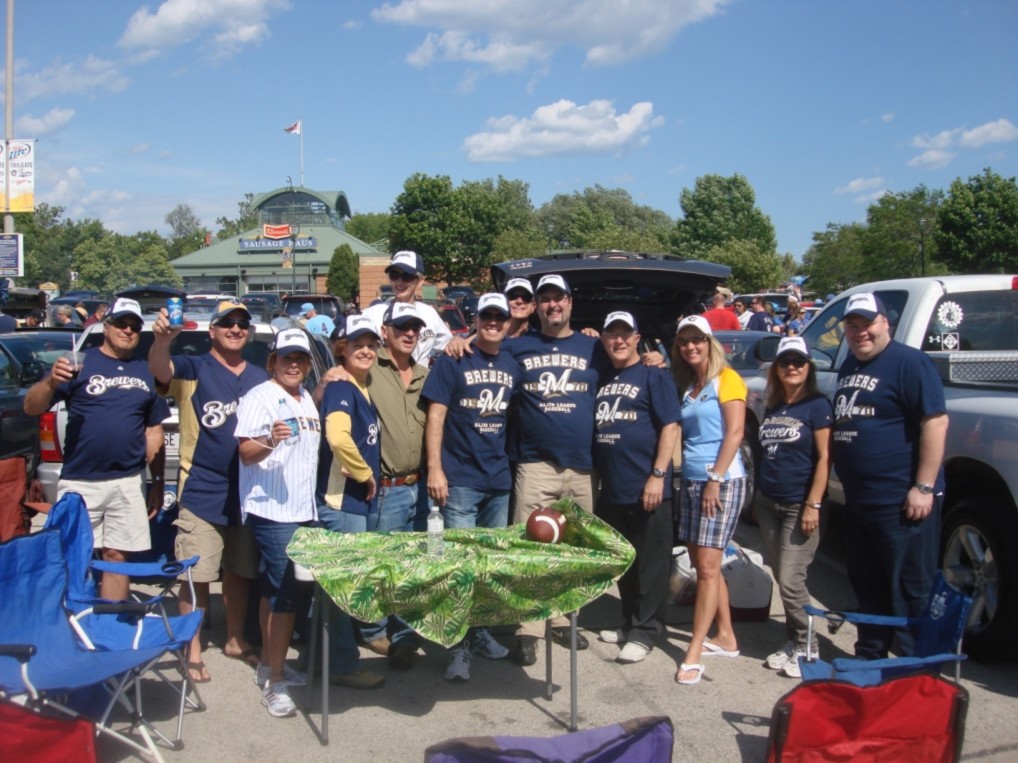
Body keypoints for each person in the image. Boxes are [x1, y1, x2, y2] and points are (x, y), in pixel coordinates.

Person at [148, 299, 267, 684]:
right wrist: (162, 341)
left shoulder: (260, 376)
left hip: (248, 492)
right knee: (195, 575)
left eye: (242, 323)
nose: (236, 329)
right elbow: (160, 370)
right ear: (211, 330)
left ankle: (235, 639)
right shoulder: (193, 368)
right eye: (227, 322)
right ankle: (192, 648)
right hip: (201, 489)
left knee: (238, 571)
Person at [24, 298, 168, 601]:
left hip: (127, 481)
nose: (127, 331)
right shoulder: (77, 362)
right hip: (80, 480)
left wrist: (156, 481)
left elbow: (153, 430)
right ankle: (72, 617)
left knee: (117, 556)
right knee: (72, 556)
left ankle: (110, 620)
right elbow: (31, 407)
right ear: (106, 326)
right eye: (121, 324)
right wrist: (50, 383)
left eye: (134, 326)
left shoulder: (145, 371)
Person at [831, 292, 948, 659]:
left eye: (867, 323)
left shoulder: (909, 363)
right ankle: (870, 658)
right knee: (867, 583)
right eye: (852, 325)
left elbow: (935, 422)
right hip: (860, 500)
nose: (860, 332)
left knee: (911, 589)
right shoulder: (850, 365)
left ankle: (918, 670)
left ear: (886, 323)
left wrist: (923, 486)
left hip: (901, 502)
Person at [422, 293, 518, 681]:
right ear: (476, 319)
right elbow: (436, 416)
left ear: (508, 322)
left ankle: (478, 632)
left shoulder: (513, 361)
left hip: (498, 479)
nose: (493, 322)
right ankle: (457, 645)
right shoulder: (454, 358)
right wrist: (435, 469)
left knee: (486, 567)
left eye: (500, 317)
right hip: (459, 478)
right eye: (487, 316)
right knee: (459, 567)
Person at [235, 328, 322, 718]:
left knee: (276, 590)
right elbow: (245, 452)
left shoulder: (305, 398)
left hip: (303, 510)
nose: (293, 364)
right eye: (287, 357)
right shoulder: (260, 397)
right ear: (273, 362)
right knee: (285, 593)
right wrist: (270, 439)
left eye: (300, 358)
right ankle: (274, 682)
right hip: (271, 510)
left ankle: (271, 665)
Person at [593, 311, 680, 665]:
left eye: (625, 334)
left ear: (636, 338)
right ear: (604, 339)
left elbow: (670, 426)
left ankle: (645, 632)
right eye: (612, 334)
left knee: (651, 565)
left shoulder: (654, 374)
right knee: (626, 562)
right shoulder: (603, 376)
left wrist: (658, 475)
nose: (619, 340)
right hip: (614, 488)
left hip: (648, 486)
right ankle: (629, 623)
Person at [671, 315, 747, 686]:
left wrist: (715, 479)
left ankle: (694, 651)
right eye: (684, 341)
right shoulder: (690, 384)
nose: (691, 346)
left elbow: (735, 433)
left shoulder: (726, 378)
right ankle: (726, 636)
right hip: (691, 480)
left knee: (706, 568)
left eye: (697, 339)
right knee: (707, 566)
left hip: (720, 481)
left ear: (709, 342)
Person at [314, 314, 387, 690]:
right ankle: (342, 665)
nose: (366, 351)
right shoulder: (342, 387)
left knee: (340, 584)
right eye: (357, 345)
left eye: (371, 345)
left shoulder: (360, 385)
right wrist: (364, 473)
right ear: (342, 348)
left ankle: (321, 658)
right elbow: (338, 437)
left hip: (355, 503)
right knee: (344, 587)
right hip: (342, 502)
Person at [755, 336, 833, 678]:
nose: (791, 367)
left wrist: (813, 503)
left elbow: (825, 458)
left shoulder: (817, 405)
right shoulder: (774, 406)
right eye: (785, 362)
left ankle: (809, 646)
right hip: (768, 503)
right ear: (776, 368)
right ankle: (793, 639)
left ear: (808, 367)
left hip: (799, 505)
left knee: (791, 579)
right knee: (781, 575)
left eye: (798, 362)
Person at [362, 250, 452, 363]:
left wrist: (457, 341)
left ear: (420, 281)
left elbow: (449, 345)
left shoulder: (429, 314)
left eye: (406, 276)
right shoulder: (372, 314)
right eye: (394, 275)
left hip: (420, 374)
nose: (399, 281)